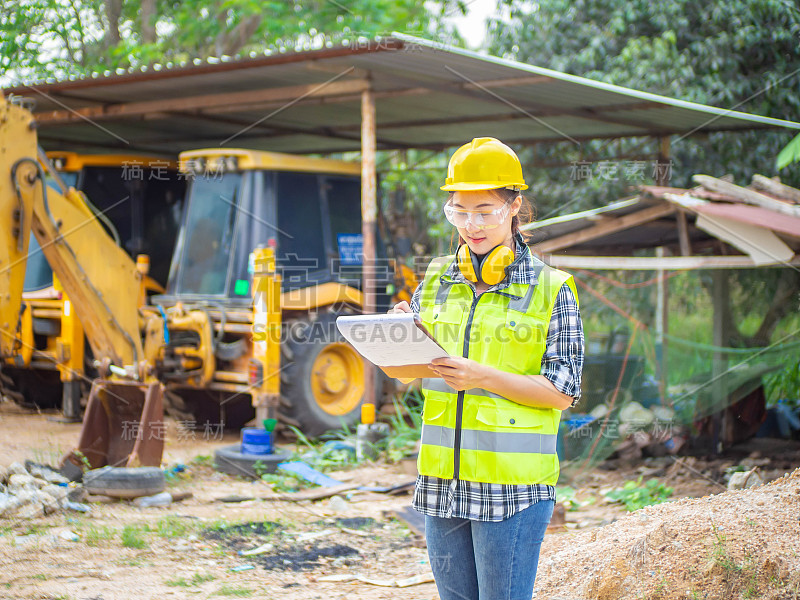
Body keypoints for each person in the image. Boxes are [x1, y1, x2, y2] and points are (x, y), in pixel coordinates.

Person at [388, 137, 584, 600]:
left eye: (485, 210)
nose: (471, 225)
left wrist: (483, 377)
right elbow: (408, 374)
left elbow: (562, 392)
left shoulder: (552, 288)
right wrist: (397, 337)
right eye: (459, 211)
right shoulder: (437, 278)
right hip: (441, 482)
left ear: (515, 206)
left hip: (511, 487)